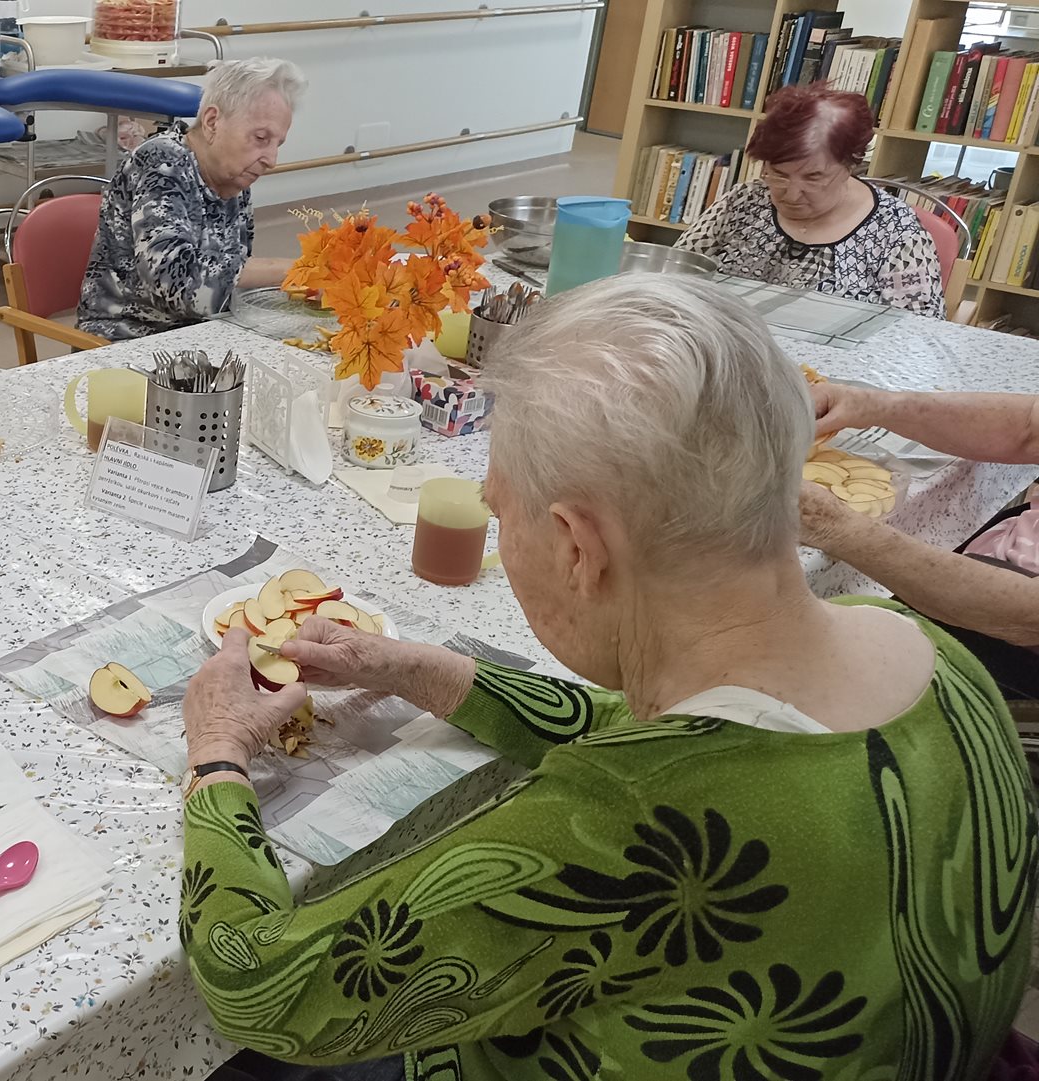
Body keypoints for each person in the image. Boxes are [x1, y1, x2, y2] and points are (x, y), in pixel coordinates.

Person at [178, 275, 1033, 1080]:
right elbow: (662, 731)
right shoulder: (934, 653)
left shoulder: (628, 819)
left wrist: (218, 755)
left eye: (500, 510)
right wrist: (411, 668)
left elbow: (258, 987)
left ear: (578, 547)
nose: (499, 525)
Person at [801, 381, 1039, 702]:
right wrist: (868, 405)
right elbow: (1029, 427)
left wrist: (835, 528)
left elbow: (1026, 615)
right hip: (1012, 548)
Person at [77, 56, 305, 341]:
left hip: (200, 334)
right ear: (212, 122)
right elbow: (173, 284)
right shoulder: (161, 162)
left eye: (277, 144)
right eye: (261, 138)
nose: (271, 159)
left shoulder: (234, 178)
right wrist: (295, 270)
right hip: (126, 341)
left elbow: (230, 276)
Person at [676, 83, 944, 317]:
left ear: (850, 165)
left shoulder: (895, 231)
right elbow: (673, 278)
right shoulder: (744, 202)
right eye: (779, 175)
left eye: (813, 178)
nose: (792, 194)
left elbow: (918, 331)